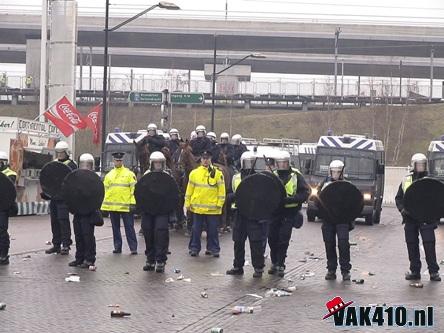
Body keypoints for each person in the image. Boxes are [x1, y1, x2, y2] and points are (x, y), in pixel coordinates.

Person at [395, 153, 441, 282]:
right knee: (412, 245)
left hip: (426, 218)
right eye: (418, 164)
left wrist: (435, 214)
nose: (420, 167)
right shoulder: (406, 180)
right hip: (410, 218)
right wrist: (403, 210)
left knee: (429, 244)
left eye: (422, 164)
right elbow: (399, 198)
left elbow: (437, 199)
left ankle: (434, 272)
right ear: (413, 165)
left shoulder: (431, 181)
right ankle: (415, 271)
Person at [267, 151, 310, 277]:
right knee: (272, 238)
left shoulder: (296, 175)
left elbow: (304, 193)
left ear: (288, 162)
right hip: (275, 212)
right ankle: (274, 261)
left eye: (284, 163)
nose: (282, 165)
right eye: (280, 163)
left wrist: (291, 199)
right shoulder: (272, 175)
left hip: (289, 212)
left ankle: (280, 263)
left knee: (283, 239)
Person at [226, 152, 268, 278]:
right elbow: (229, 194)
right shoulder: (236, 177)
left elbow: (263, 197)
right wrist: (236, 196)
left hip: (253, 215)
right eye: (246, 162)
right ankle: (238, 266)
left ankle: (258, 267)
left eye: (250, 162)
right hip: (239, 214)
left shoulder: (259, 178)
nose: (248, 164)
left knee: (255, 242)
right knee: (238, 242)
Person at [317, 160, 353, 281]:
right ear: (330, 171)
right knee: (329, 244)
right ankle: (331, 270)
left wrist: (349, 217)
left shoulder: (347, 185)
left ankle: (345, 270)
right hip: (328, 219)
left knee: (343, 244)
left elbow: (354, 202)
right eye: (334, 171)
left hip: (342, 219)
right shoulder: (324, 183)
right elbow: (316, 198)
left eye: (338, 172)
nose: (336, 174)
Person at [185, 150, 225, 257]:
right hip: (197, 208)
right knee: (196, 230)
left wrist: (220, 203)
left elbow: (222, 190)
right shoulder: (194, 173)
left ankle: (213, 249)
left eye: (207, 158)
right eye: (204, 158)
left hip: (213, 208)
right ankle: (194, 248)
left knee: (212, 230)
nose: (205, 160)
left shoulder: (217, 173)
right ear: (201, 160)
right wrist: (187, 203)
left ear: (210, 159)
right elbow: (189, 190)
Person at [141, 152, 172, 273]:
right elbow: (141, 192)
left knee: (161, 234)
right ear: (152, 163)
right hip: (148, 210)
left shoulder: (167, 176)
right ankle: (150, 259)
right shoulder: (147, 175)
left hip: (162, 210)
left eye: (160, 163)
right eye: (156, 163)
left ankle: (160, 260)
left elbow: (172, 193)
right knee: (148, 232)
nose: (158, 165)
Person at [101, 152, 138, 254]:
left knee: (129, 228)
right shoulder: (109, 175)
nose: (118, 162)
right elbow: (106, 192)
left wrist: (132, 203)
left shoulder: (129, 174)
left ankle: (133, 248)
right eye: (117, 160)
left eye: (120, 160)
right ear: (113, 161)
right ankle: (117, 247)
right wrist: (104, 206)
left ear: (122, 161)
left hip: (126, 206)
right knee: (115, 229)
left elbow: (133, 190)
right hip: (113, 207)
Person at [44, 141, 77, 255]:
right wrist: (46, 192)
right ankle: (56, 244)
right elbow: (48, 179)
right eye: (57, 152)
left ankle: (66, 245)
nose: (59, 155)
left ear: (66, 152)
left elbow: (72, 181)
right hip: (54, 196)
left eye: (61, 152)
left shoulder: (72, 165)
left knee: (63, 221)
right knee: (54, 221)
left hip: (64, 198)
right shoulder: (54, 163)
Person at [69, 153, 100, 269]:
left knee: (88, 236)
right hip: (78, 210)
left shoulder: (95, 179)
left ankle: (89, 259)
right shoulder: (76, 177)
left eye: (88, 165)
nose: (85, 167)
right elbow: (70, 191)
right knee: (78, 235)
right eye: (83, 164)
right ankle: (79, 258)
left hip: (89, 211)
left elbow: (98, 195)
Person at [0, 151, 17, 265]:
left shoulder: (10, 174)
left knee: (2, 231)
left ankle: (4, 254)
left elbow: (7, 189)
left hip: (3, 206)